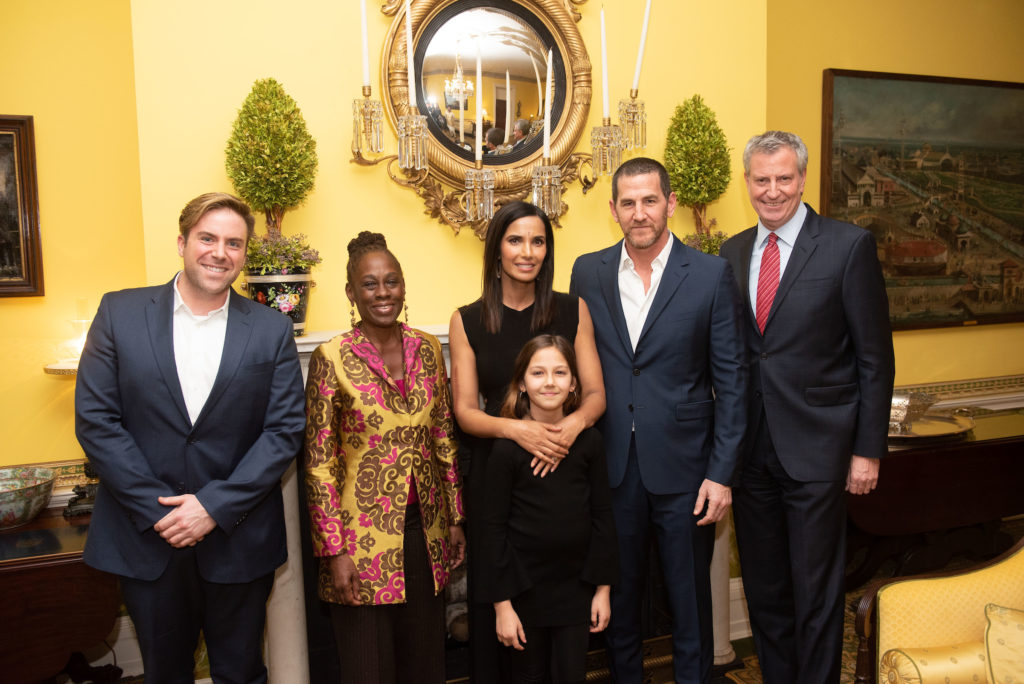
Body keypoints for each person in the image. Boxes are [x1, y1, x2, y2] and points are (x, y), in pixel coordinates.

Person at [74, 192, 306, 683]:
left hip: (238, 538)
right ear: (182, 242)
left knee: (242, 672)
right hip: (147, 540)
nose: (220, 252)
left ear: (245, 254)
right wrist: (164, 512)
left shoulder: (271, 330)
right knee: (164, 674)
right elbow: (97, 421)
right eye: (207, 238)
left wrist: (212, 508)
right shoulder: (119, 313)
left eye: (234, 243)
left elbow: (283, 431)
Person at [719, 131, 894, 684]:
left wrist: (867, 451)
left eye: (784, 179)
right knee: (766, 593)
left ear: (803, 179)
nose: (773, 192)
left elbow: (875, 358)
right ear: (748, 182)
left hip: (820, 452)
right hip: (751, 455)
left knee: (816, 593)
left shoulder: (847, 246)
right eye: (761, 180)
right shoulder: (731, 251)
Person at [569, 157, 747, 683]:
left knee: (688, 600)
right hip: (613, 467)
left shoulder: (712, 274)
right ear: (613, 210)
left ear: (669, 203)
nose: (639, 212)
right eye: (628, 202)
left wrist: (722, 473)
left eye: (650, 200)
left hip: (688, 471)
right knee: (619, 600)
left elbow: (733, 381)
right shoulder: (588, 271)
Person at [449, 200, 606, 683]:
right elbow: (465, 411)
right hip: (499, 475)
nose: (527, 251)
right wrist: (520, 430)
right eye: (515, 240)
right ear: (497, 248)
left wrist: (567, 431)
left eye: (538, 241)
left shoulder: (571, 308)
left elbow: (596, 393)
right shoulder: (468, 319)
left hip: (566, 469)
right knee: (505, 634)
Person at [303, 231, 466, 684]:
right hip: (359, 543)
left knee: (425, 665)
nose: (382, 293)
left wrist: (455, 517)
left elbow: (443, 438)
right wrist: (333, 551)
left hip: (425, 535)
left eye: (391, 281)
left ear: (404, 286)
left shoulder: (428, 349)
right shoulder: (330, 357)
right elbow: (318, 463)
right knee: (367, 669)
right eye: (370, 284)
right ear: (351, 293)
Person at [480, 334, 618, 684]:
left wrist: (602, 590)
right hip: (523, 593)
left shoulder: (590, 443)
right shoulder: (506, 451)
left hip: (576, 590)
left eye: (560, 372)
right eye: (538, 373)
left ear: (574, 384)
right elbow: (492, 530)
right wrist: (502, 606)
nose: (550, 382)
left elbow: (603, 516)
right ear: (522, 384)